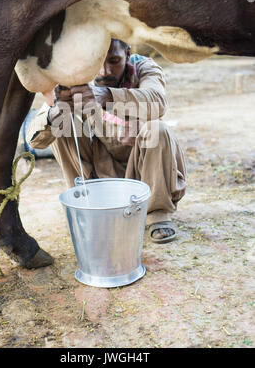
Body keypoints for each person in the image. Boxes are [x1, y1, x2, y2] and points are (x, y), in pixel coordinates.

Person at [27, 39, 187, 243]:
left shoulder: (144, 67)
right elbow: (35, 141)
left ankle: (157, 215)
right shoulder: (76, 76)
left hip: (143, 171)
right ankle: (86, 204)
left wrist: (107, 96)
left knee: (158, 129)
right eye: (98, 61)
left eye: (114, 60)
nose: (104, 71)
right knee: (62, 123)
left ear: (127, 54)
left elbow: (157, 101)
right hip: (101, 173)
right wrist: (56, 111)